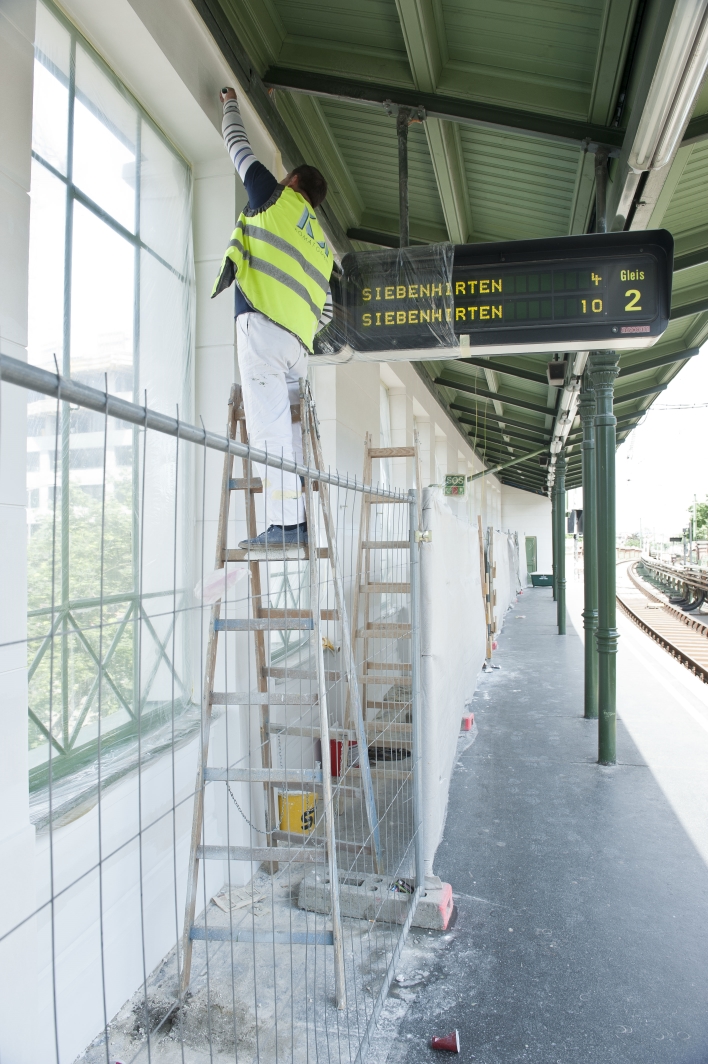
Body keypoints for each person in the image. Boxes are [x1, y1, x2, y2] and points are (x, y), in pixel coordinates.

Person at [213, 87, 334, 548]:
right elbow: (323, 311)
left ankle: (287, 526)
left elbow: (235, 142)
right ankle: (298, 518)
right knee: (293, 431)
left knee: (270, 431)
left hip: (261, 333)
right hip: (295, 348)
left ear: (293, 181)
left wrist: (229, 101)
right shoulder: (323, 247)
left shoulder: (274, 196)